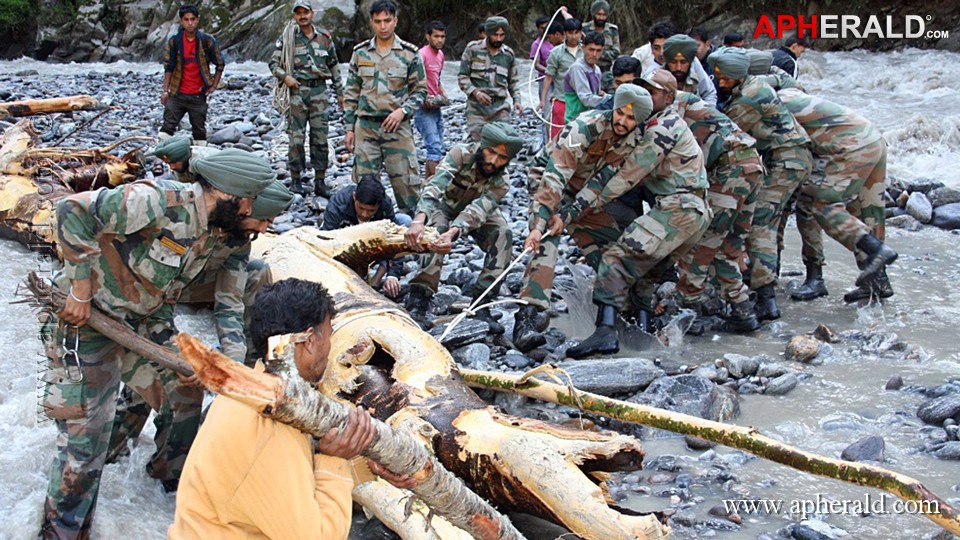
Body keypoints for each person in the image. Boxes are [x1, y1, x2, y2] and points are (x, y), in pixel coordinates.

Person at [38, 149, 274, 538]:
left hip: (139, 324)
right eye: (248, 200)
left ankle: (168, 485)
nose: (251, 209)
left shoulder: (209, 229)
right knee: (83, 449)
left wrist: (189, 358)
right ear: (227, 194)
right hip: (85, 326)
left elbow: (160, 294)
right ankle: (62, 531)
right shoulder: (157, 201)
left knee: (186, 387)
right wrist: (80, 290)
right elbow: (70, 210)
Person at [169, 278, 414, 538]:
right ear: (308, 341)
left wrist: (372, 469)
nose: (329, 348)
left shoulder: (258, 389)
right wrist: (335, 460)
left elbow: (297, 476)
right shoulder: (271, 431)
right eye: (328, 336)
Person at [108, 180, 296, 464]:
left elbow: (229, 302)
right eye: (264, 219)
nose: (265, 229)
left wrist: (230, 367)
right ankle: (113, 451)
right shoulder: (190, 218)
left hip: (172, 298)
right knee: (149, 380)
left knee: (180, 383)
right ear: (245, 209)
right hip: (136, 302)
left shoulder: (238, 241)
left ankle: (167, 476)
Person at [564, 84, 710, 358]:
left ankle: (604, 333)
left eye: (651, 93)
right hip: (697, 214)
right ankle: (641, 340)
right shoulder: (673, 121)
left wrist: (575, 209)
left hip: (677, 208)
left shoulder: (660, 129)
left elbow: (625, 177)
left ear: (667, 97)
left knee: (614, 259)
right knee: (644, 275)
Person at [514, 85, 654, 352]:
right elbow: (555, 176)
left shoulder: (631, 142)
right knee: (546, 241)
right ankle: (527, 319)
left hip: (583, 193)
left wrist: (569, 215)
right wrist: (540, 223)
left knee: (615, 248)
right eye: (621, 114)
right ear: (615, 108)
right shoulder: (585, 126)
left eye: (631, 118)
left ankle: (620, 313)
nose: (623, 122)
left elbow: (600, 184)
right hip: (549, 180)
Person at [640, 69, 763, 333]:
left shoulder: (675, 110)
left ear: (668, 94)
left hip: (730, 171)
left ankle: (688, 314)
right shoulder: (684, 103)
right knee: (728, 245)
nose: (647, 97)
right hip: (750, 167)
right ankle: (743, 310)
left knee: (700, 241)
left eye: (652, 92)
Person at [711, 48, 813, 322]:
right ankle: (768, 281)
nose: (720, 83)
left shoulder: (748, 97)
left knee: (760, 226)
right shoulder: (758, 82)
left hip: (785, 161)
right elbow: (783, 81)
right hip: (795, 158)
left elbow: (724, 128)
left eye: (724, 79)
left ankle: (766, 298)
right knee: (774, 222)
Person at [777, 88, 897, 303]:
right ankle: (878, 281)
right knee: (867, 210)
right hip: (873, 138)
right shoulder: (791, 90)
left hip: (849, 148)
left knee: (816, 205)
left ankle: (816, 278)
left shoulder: (769, 102)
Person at [403, 122, 524, 333]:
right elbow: (435, 185)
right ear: (482, 147)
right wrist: (418, 221)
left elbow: (478, 211)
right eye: (491, 152)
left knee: (503, 233)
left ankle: (482, 303)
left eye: (502, 158)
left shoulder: (501, 182)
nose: (494, 161)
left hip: (477, 213)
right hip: (444, 204)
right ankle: (419, 298)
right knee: (435, 231)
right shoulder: (460, 154)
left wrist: (454, 232)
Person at [343, 0, 427, 214]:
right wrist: (349, 128)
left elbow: (421, 91)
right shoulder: (360, 53)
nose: (383, 26)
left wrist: (402, 111)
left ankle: (413, 235)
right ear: (371, 22)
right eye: (378, 21)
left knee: (407, 186)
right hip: (366, 128)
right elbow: (351, 92)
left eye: (387, 21)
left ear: (395, 21)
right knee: (364, 187)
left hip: (397, 129)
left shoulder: (409, 54)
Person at [269, 0, 344, 197]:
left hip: (319, 91)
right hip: (297, 92)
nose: (302, 16)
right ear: (295, 16)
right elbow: (273, 63)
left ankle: (320, 180)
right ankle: (295, 179)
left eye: (306, 12)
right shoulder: (288, 38)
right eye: (298, 13)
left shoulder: (325, 38)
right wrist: (286, 77)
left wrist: (340, 93)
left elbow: (334, 66)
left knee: (320, 137)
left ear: (312, 13)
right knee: (296, 138)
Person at [322, 174, 411, 299]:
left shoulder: (385, 204)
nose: (364, 214)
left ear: (379, 206)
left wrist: (393, 275)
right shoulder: (338, 205)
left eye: (371, 211)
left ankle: (374, 284)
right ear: (354, 197)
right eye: (361, 208)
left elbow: (394, 240)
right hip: (345, 244)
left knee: (405, 222)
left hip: (372, 243)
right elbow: (327, 240)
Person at [160, 4, 224, 144]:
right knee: (166, 129)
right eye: (186, 19)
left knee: (199, 131)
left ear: (197, 20)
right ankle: (160, 163)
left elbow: (220, 63)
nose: (190, 23)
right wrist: (165, 91)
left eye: (193, 19)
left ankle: (197, 163)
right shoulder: (175, 42)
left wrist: (213, 85)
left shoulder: (206, 40)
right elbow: (169, 67)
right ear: (181, 21)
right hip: (177, 94)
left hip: (198, 95)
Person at [459, 16, 523, 141]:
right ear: (488, 33)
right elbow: (462, 77)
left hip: (500, 109)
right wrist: (476, 93)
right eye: (495, 35)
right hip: (477, 109)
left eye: (502, 35)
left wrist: (517, 100)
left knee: (501, 145)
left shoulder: (508, 55)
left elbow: (513, 81)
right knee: (478, 147)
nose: (498, 39)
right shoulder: (472, 49)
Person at [415, 20, 449, 179]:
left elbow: (437, 78)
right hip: (423, 108)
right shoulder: (421, 55)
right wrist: (423, 98)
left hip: (436, 107)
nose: (440, 40)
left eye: (442, 36)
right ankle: (436, 188)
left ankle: (428, 184)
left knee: (437, 147)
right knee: (434, 148)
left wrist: (443, 93)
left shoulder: (440, 55)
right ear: (428, 36)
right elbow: (412, 82)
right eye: (436, 36)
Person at [540, 17, 582, 141]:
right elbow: (548, 77)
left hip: (582, 102)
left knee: (580, 138)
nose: (574, 36)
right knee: (557, 139)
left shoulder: (587, 51)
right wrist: (543, 100)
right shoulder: (555, 53)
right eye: (570, 33)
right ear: (564, 34)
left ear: (581, 33)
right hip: (562, 101)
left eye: (576, 33)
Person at [660, 33, 717, 107]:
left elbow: (709, 93)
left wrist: (709, 114)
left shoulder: (695, 64)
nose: (678, 68)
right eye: (673, 62)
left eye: (683, 62)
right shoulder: (657, 75)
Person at [531, 19, 564, 144]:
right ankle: (547, 144)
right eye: (541, 28)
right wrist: (550, 71)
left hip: (559, 83)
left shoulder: (560, 44)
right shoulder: (537, 44)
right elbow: (537, 64)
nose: (544, 30)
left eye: (546, 27)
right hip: (545, 80)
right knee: (547, 113)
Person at [563, 31, 606, 122]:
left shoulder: (597, 70)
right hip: (575, 121)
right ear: (583, 48)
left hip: (590, 119)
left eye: (598, 51)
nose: (594, 54)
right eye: (591, 49)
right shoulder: (577, 68)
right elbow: (586, 98)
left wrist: (603, 95)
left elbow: (596, 94)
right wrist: (610, 100)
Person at [588, 0, 620, 89]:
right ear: (593, 14)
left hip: (607, 72)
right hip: (589, 71)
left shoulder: (612, 30)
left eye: (604, 15)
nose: (601, 18)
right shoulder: (585, 29)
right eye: (599, 14)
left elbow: (616, 52)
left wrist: (598, 53)